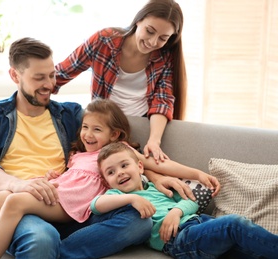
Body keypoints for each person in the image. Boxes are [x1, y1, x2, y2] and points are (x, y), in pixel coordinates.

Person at [0, 37, 154, 259]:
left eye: (51, 75)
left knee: (139, 219)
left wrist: (154, 176)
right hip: (17, 199)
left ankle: (63, 251)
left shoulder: (71, 114)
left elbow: (114, 152)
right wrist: (19, 185)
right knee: (40, 236)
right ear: (15, 76)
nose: (49, 84)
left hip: (69, 201)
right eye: (39, 78)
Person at [0, 97, 220, 259]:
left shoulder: (119, 153)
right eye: (85, 127)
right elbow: (69, 176)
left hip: (71, 206)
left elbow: (160, 163)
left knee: (13, 203)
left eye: (97, 129)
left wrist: (196, 173)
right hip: (56, 193)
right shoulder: (78, 154)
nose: (88, 134)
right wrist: (55, 176)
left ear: (116, 135)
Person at [93, 142, 278, 259]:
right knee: (233, 224)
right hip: (180, 241)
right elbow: (96, 205)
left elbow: (190, 200)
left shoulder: (158, 186)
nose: (120, 173)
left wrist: (176, 211)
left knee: (249, 249)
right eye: (111, 172)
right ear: (107, 181)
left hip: (198, 223)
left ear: (140, 166)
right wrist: (132, 198)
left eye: (124, 165)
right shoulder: (118, 196)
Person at [54, 0, 186, 163]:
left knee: (149, 171)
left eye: (163, 38)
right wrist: (31, 85)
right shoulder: (104, 40)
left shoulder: (164, 58)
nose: (153, 42)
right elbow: (63, 71)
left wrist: (154, 140)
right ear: (139, 20)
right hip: (105, 127)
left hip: (141, 126)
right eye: (149, 31)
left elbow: (162, 102)